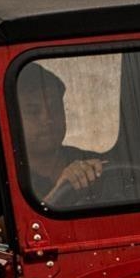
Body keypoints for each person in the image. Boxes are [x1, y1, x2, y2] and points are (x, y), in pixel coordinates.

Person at [17, 65, 104, 205]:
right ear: (13, 117)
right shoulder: (0, 177)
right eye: (33, 112)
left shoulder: (92, 163)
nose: (48, 119)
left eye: (54, 107)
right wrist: (57, 194)